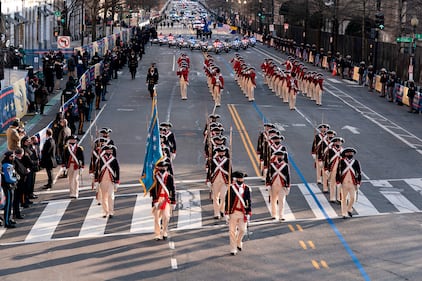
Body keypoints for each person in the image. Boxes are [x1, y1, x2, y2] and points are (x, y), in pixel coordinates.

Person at [225, 171, 251, 256]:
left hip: (242, 212)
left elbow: (249, 201)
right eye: (239, 178)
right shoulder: (231, 188)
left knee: (243, 230)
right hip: (233, 212)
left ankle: (239, 241)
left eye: (242, 178)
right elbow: (227, 201)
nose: (241, 180)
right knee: (232, 231)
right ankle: (233, 249)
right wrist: (226, 213)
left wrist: (248, 212)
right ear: (236, 179)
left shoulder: (247, 188)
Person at [150, 160, 176, 241]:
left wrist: (173, 201)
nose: (162, 168)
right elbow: (152, 190)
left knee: (166, 216)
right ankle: (157, 234)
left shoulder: (169, 177)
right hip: (158, 199)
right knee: (157, 218)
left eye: (164, 167)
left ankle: (164, 232)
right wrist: (155, 200)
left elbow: (173, 189)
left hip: (166, 199)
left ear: (166, 167)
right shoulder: (155, 177)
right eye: (161, 167)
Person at [94, 145, 120, 218]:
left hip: (111, 180)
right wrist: (96, 180)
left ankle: (111, 212)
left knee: (110, 196)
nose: (109, 151)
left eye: (110, 150)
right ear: (105, 151)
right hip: (102, 180)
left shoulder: (114, 159)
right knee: (103, 197)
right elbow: (97, 170)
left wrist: (117, 181)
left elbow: (117, 171)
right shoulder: (100, 159)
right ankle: (105, 212)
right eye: (107, 150)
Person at [336, 147, 361, 219]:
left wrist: (358, 182)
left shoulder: (356, 162)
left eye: (351, 152)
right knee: (343, 199)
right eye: (348, 152)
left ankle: (349, 209)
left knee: (353, 198)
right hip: (344, 183)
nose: (350, 154)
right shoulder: (341, 161)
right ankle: (344, 213)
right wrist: (338, 182)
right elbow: (338, 172)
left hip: (353, 183)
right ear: (345, 154)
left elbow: (359, 173)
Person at [207, 145, 231, 219]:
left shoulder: (227, 160)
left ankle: (222, 209)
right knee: (215, 197)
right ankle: (216, 213)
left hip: (224, 181)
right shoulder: (213, 160)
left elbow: (230, 171)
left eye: (223, 152)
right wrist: (208, 179)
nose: (222, 153)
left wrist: (231, 180)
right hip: (215, 180)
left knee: (223, 197)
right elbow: (210, 171)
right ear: (217, 152)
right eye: (220, 152)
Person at [265, 151, 290, 221]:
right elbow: (268, 175)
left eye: (281, 156)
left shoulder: (285, 165)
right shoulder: (272, 165)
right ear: (276, 156)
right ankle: (274, 214)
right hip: (273, 185)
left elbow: (288, 176)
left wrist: (288, 186)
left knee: (281, 200)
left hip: (282, 185)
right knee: (273, 200)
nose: (280, 157)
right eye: (278, 156)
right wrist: (268, 184)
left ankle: (281, 215)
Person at [2, 151, 17, 228]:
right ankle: (7, 222)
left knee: (10, 204)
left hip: (10, 186)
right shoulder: (7, 165)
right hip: (7, 186)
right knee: (8, 205)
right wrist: (16, 179)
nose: (13, 158)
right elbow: (9, 178)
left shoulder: (9, 164)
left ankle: (9, 219)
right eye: (11, 156)